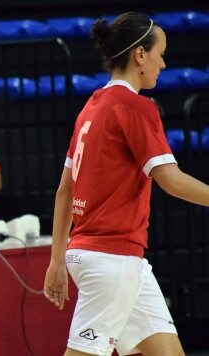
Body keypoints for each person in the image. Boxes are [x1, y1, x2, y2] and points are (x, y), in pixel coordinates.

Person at [43, 12, 209, 356]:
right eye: (160, 54)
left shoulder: (91, 106)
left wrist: (57, 260)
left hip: (108, 256)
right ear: (140, 55)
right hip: (111, 257)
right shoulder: (136, 107)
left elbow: (64, 190)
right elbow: (172, 181)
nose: (163, 64)